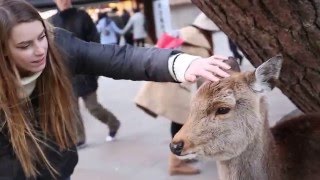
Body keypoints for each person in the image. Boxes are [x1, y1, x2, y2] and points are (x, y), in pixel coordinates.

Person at [0, 0, 231, 179]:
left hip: (58, 169)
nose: (40, 50)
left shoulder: (59, 45)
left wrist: (182, 63)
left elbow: (119, 58)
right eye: (24, 46)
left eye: (41, 37)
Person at [134, 13, 222, 175]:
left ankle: (181, 156)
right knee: (182, 124)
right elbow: (203, 75)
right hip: (179, 90)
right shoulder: (198, 43)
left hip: (168, 85)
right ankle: (175, 164)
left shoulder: (184, 33)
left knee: (178, 122)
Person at [50, 0, 121, 144]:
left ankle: (113, 123)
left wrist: (94, 67)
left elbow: (94, 41)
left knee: (93, 107)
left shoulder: (82, 16)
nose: (63, 1)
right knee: (72, 110)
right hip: (66, 74)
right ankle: (79, 138)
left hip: (85, 70)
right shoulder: (52, 21)